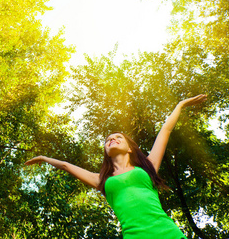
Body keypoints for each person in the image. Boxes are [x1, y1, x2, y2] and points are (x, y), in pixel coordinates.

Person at [25, 94, 207, 239]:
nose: (112, 139)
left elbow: (165, 130)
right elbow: (65, 165)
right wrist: (44, 157)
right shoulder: (102, 180)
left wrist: (180, 105)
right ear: (106, 151)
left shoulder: (148, 166)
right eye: (108, 140)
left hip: (168, 234)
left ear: (129, 148)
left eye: (118, 137)